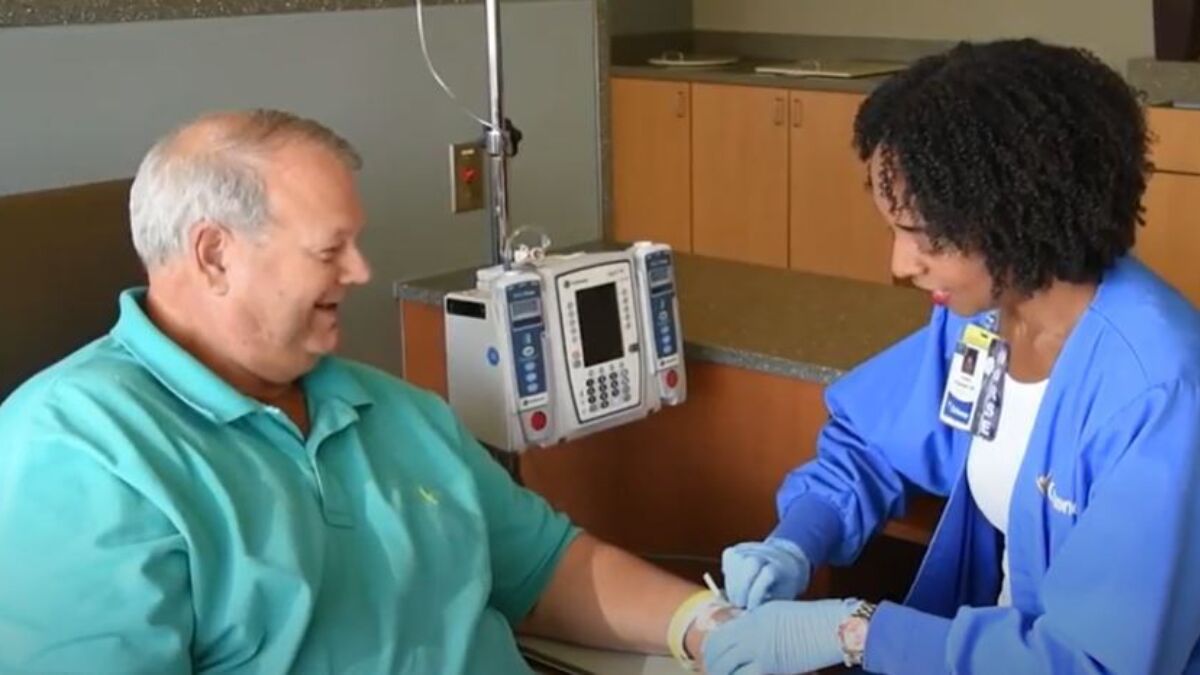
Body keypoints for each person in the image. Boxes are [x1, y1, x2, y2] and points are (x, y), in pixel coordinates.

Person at [0, 110, 731, 672]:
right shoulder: (77, 449)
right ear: (215, 254)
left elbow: (547, 572)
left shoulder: (396, 410)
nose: (361, 272)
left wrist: (708, 624)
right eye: (330, 249)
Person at [705, 39, 1200, 674]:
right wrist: (798, 538)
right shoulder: (986, 316)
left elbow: (1091, 665)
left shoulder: (1158, 391)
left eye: (923, 236)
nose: (899, 265)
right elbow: (871, 446)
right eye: (894, 229)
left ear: (1018, 210)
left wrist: (860, 633)